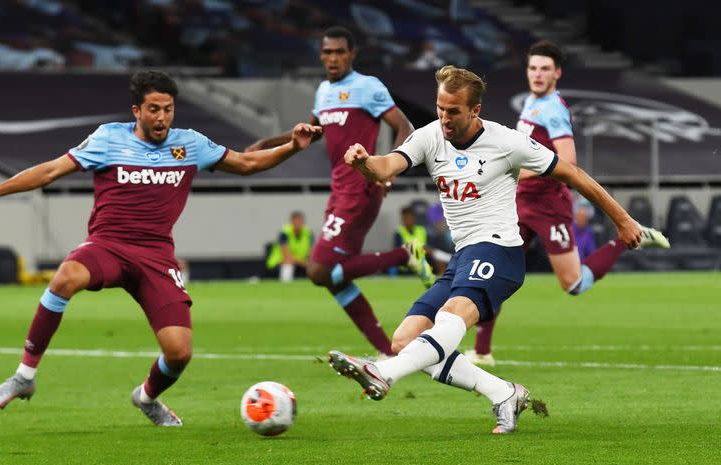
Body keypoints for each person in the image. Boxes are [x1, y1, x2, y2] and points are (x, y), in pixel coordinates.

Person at [0, 70, 321, 426]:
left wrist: (291, 147)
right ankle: (24, 377)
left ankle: (146, 397)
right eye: (153, 109)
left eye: (167, 109)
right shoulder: (108, 139)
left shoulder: (190, 144)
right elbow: (49, 172)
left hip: (156, 257)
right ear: (136, 110)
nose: (161, 117)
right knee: (65, 278)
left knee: (179, 354)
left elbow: (246, 163)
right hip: (109, 246)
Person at [328, 65, 648, 434]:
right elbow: (387, 165)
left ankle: (382, 373)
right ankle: (503, 393)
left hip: (500, 252)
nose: (444, 118)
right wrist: (364, 162)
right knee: (405, 340)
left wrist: (622, 220)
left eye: (453, 111)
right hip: (464, 257)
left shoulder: (507, 142)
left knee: (451, 316)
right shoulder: (430, 136)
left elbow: (573, 174)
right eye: (439, 108)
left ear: (475, 110)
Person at [466, 41, 669, 367]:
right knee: (495, 270)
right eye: (533, 68)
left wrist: (516, 172)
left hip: (549, 206)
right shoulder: (532, 102)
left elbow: (567, 160)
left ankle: (626, 238)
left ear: (557, 73)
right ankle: (482, 351)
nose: (538, 74)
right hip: (519, 204)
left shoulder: (553, 109)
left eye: (545, 68)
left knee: (573, 284)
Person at [246, 26, 433, 357]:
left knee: (319, 270)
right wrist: (270, 143)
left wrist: (388, 170)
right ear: (321, 55)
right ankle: (388, 356)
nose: (332, 58)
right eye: (327, 52)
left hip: (360, 186)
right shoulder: (323, 91)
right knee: (334, 278)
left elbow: (405, 127)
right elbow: (313, 133)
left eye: (339, 52)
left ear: (352, 54)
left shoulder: (367, 87)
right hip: (339, 190)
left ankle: (406, 254)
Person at [265, 210, 314, 282]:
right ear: (291, 221)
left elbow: (312, 253)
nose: (298, 223)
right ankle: (285, 285)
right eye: (296, 221)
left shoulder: (308, 233)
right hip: (278, 263)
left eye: (300, 221)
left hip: (300, 263)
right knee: (288, 262)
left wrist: (310, 263)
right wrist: (305, 263)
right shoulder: (284, 233)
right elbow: (287, 256)